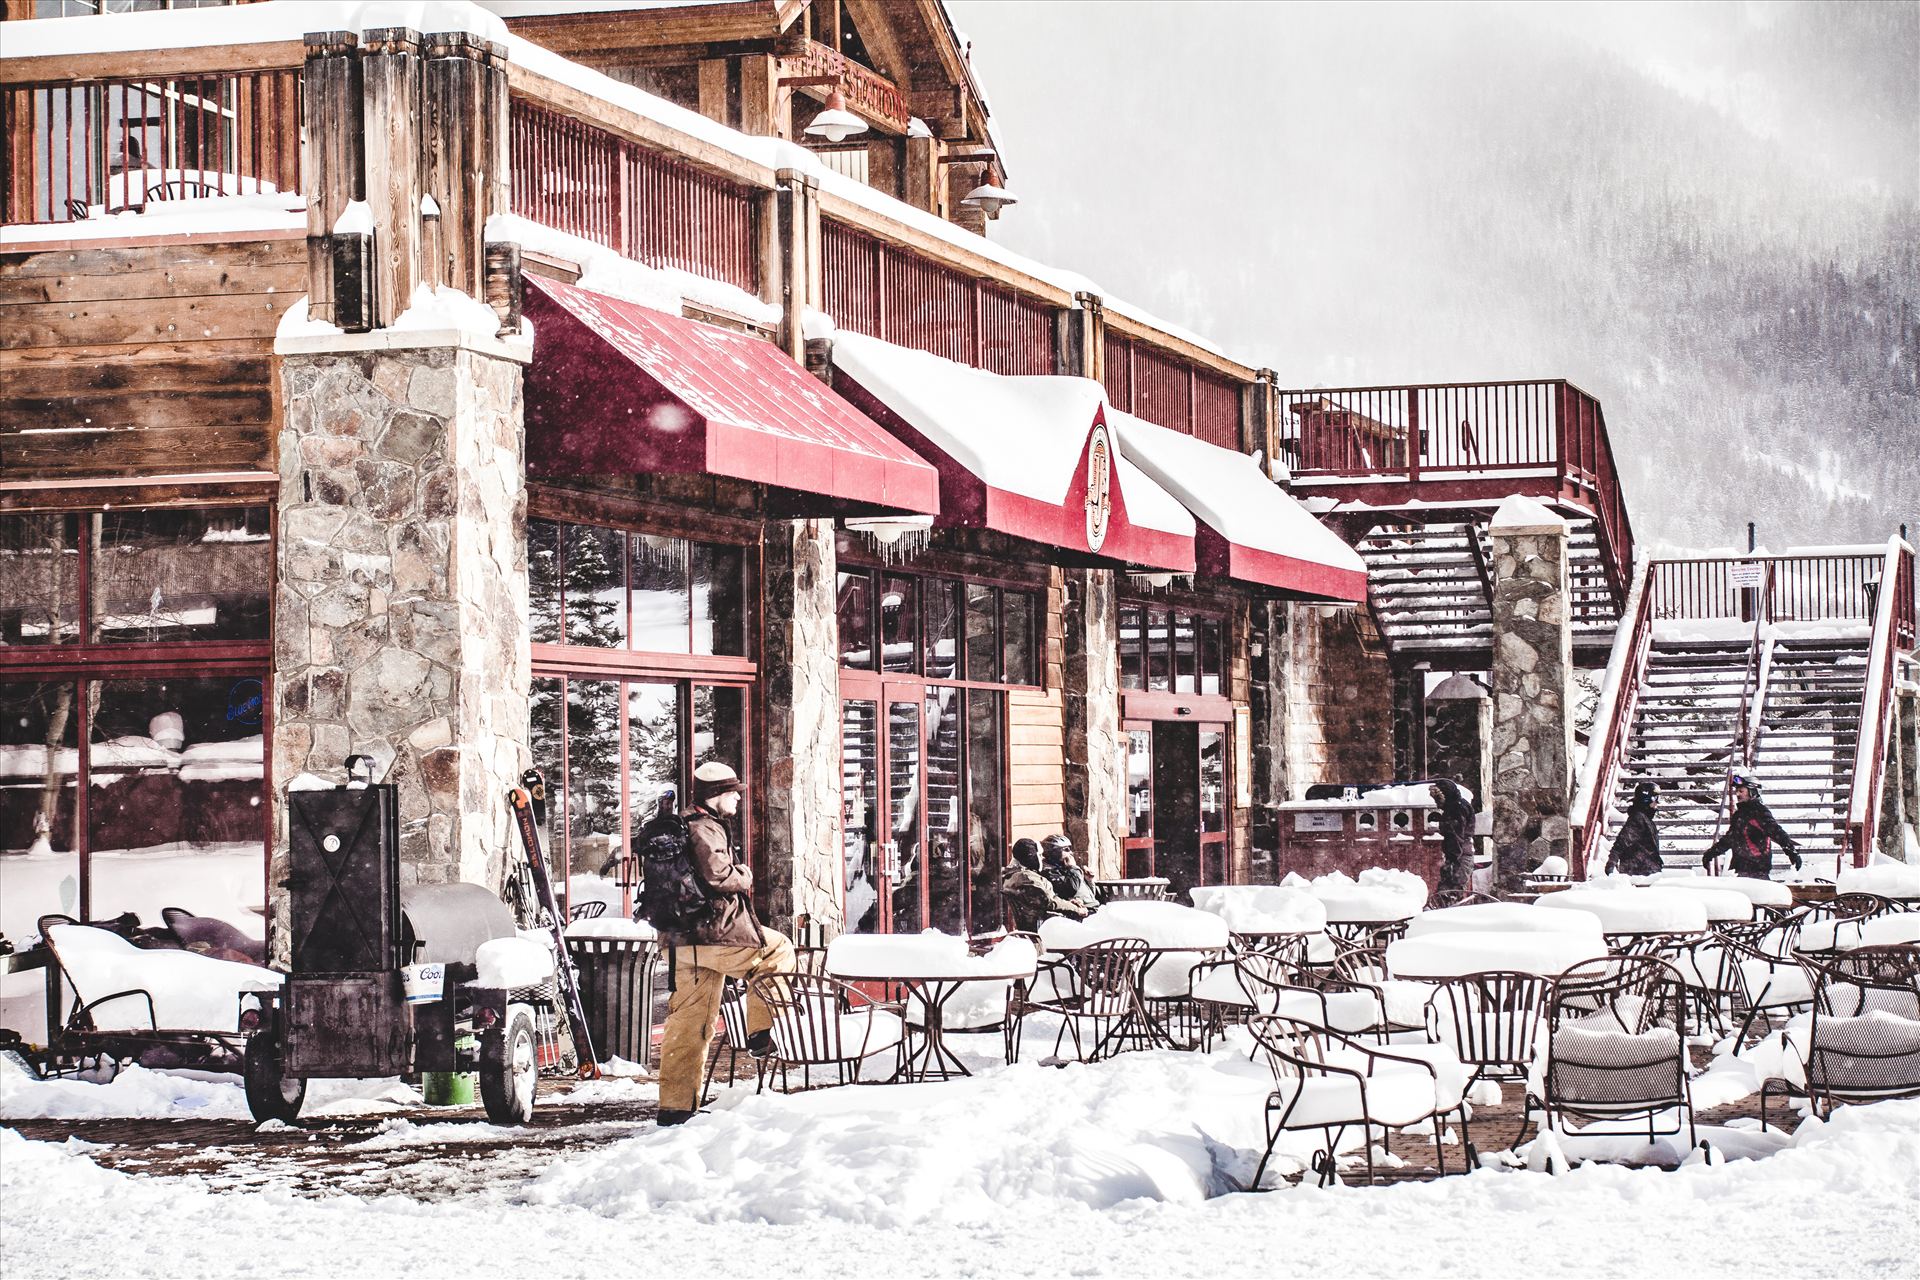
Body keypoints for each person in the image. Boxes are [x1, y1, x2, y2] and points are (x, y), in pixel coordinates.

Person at [655, 761, 795, 1127]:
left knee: (689, 1022)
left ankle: (675, 1107)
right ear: (717, 796)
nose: (737, 799)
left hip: (681, 941)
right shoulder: (705, 828)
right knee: (777, 949)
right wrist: (744, 874)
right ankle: (762, 1031)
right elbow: (718, 875)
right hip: (714, 933)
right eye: (733, 792)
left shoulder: (679, 826)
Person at [1702, 775, 1802, 880]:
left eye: (1741, 791)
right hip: (1742, 868)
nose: (1737, 794)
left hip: (1757, 868)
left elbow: (1777, 832)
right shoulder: (1739, 814)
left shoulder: (1759, 812)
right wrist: (1712, 853)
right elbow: (1731, 838)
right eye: (1737, 791)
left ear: (1752, 792)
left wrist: (1792, 853)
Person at [1001, 838, 1087, 932]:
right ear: (1032, 857)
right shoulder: (1027, 878)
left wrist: (1070, 903)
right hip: (1046, 927)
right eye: (1040, 855)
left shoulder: (1018, 875)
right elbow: (1049, 902)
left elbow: (1048, 899)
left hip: (1045, 921)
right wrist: (1076, 909)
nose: (1042, 858)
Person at [1429, 779, 1477, 900]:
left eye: (1437, 798)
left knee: (1451, 891)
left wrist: (1452, 859)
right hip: (1462, 852)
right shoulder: (1457, 805)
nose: (1436, 802)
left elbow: (1456, 836)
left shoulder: (1456, 808)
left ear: (1446, 795)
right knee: (1451, 890)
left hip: (1460, 854)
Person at [1609, 782, 1664, 876]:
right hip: (1638, 873)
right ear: (1646, 799)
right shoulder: (1638, 819)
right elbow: (1622, 841)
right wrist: (1611, 862)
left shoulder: (1645, 819)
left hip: (1644, 871)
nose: (1657, 802)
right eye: (1656, 798)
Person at [1039, 834, 1102, 911]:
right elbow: (1071, 889)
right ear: (1055, 852)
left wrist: (1089, 881)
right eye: (1066, 849)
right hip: (1082, 912)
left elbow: (1088, 897)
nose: (1071, 852)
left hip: (1094, 907)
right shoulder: (1049, 872)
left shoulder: (1066, 868)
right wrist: (1073, 868)